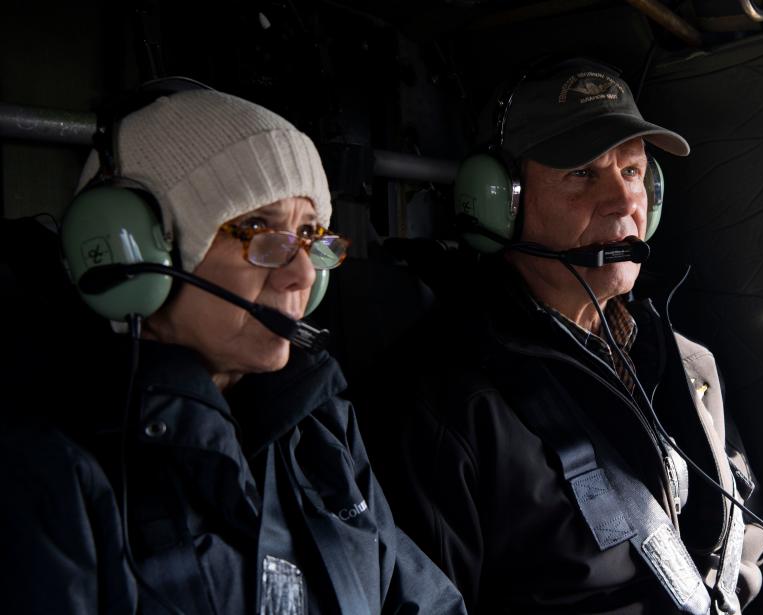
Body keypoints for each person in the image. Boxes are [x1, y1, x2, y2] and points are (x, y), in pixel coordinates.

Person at [381, 58, 763, 614]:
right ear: (500, 201)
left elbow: (747, 565)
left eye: (633, 172)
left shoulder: (685, 367)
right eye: (582, 173)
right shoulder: (442, 406)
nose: (623, 201)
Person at [0, 85, 465, 614]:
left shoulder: (319, 426)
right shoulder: (46, 466)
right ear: (139, 249)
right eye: (260, 230)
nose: (302, 273)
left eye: (313, 235)